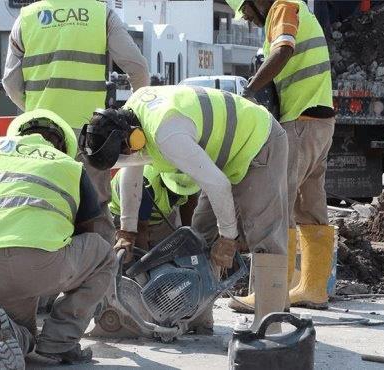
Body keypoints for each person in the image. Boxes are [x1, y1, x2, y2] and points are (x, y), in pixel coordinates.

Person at [79, 85, 289, 334]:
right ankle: (198, 319)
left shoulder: (167, 134)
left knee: (264, 235)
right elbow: (132, 171)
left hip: (258, 141)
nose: (127, 156)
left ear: (132, 138)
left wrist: (228, 239)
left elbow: (218, 185)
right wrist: (127, 230)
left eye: (124, 152)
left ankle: (270, 327)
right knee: (198, 237)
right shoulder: (131, 117)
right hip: (223, 160)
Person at [0, 110, 116, 370]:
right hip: (40, 265)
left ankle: (11, 336)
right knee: (104, 255)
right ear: (62, 144)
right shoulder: (70, 167)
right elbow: (89, 231)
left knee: (19, 332)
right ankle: (59, 342)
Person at [2, 0, 150, 244]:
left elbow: (10, 82)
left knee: (42, 208)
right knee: (94, 210)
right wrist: (131, 116)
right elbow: (138, 68)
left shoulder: (27, 17)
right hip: (90, 137)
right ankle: (100, 275)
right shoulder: (101, 14)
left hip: (39, 136)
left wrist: (34, 110)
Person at [226, 0, 336, 311]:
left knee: (278, 205)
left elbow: (284, 49)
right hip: (319, 120)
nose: (248, 20)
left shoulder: (282, 7)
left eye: (247, 12)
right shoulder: (297, 6)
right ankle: (313, 289)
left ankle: (271, 295)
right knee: (310, 206)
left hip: (299, 121)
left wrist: (249, 89)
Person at [109, 165, 199, 254]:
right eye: (176, 191)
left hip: (159, 216)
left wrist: (188, 238)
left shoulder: (188, 175)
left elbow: (189, 202)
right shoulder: (145, 185)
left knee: (170, 255)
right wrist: (145, 264)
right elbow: (140, 228)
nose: (179, 195)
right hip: (125, 218)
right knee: (129, 258)